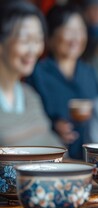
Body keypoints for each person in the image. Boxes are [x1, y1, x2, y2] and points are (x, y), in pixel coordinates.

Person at [27, 4, 98, 159]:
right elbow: (27, 118)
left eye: (80, 30)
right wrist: (53, 126)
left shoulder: (89, 72)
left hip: (90, 159)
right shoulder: (37, 73)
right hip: (51, 158)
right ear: (51, 35)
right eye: (69, 30)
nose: (76, 37)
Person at [0, 1, 62, 147]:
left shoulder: (30, 95)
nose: (33, 50)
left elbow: (55, 148)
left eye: (38, 40)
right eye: (25, 40)